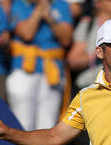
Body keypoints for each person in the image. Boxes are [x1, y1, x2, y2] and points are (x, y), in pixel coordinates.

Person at [6, 0, 73, 131]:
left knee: (48, 124)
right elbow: (27, 34)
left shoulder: (61, 5)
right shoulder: (19, 4)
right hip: (23, 69)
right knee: (22, 123)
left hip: (52, 71)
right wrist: (39, 9)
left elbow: (66, 39)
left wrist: (49, 17)